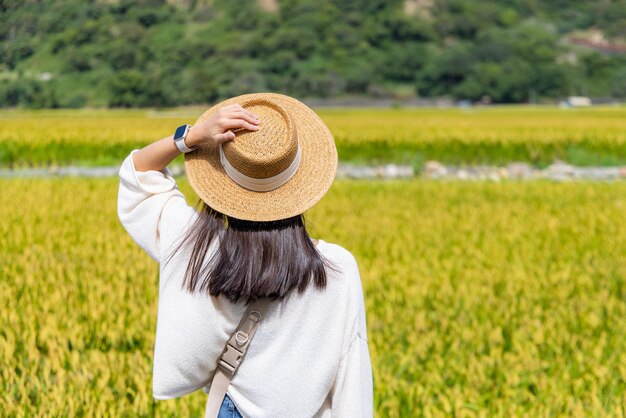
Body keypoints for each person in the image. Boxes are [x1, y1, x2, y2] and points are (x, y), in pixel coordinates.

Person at [117, 93, 373, 417]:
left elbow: (138, 177)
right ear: (299, 180)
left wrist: (192, 136)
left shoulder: (197, 247)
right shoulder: (337, 267)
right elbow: (352, 373)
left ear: (224, 182)